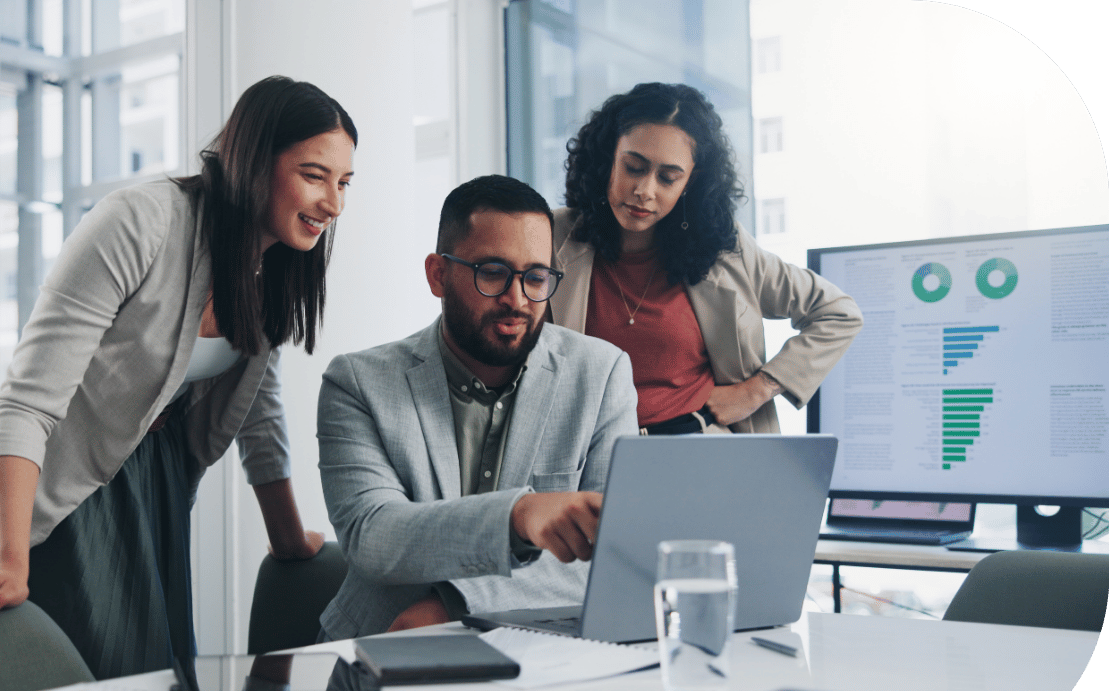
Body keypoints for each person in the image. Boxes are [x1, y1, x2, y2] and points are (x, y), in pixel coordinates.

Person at [0, 76, 357, 679]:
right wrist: (8, 559)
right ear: (251, 162)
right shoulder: (142, 221)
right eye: (314, 176)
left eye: (344, 183)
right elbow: (25, 402)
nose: (334, 205)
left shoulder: (272, 266)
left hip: (149, 484)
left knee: (151, 689)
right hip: (50, 486)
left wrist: (289, 537)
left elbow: (255, 406)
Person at [315, 175, 638, 641]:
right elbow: (374, 537)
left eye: (536, 277)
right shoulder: (357, 383)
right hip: (378, 644)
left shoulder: (602, 374)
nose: (518, 300)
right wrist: (520, 516)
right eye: (492, 272)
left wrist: (454, 602)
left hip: (542, 652)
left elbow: (613, 551)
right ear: (438, 275)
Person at [550, 82, 862, 434]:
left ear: (691, 183)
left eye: (668, 178)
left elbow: (838, 313)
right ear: (607, 158)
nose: (645, 191)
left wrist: (758, 389)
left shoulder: (725, 249)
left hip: (703, 449)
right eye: (634, 168)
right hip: (588, 457)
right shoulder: (550, 237)